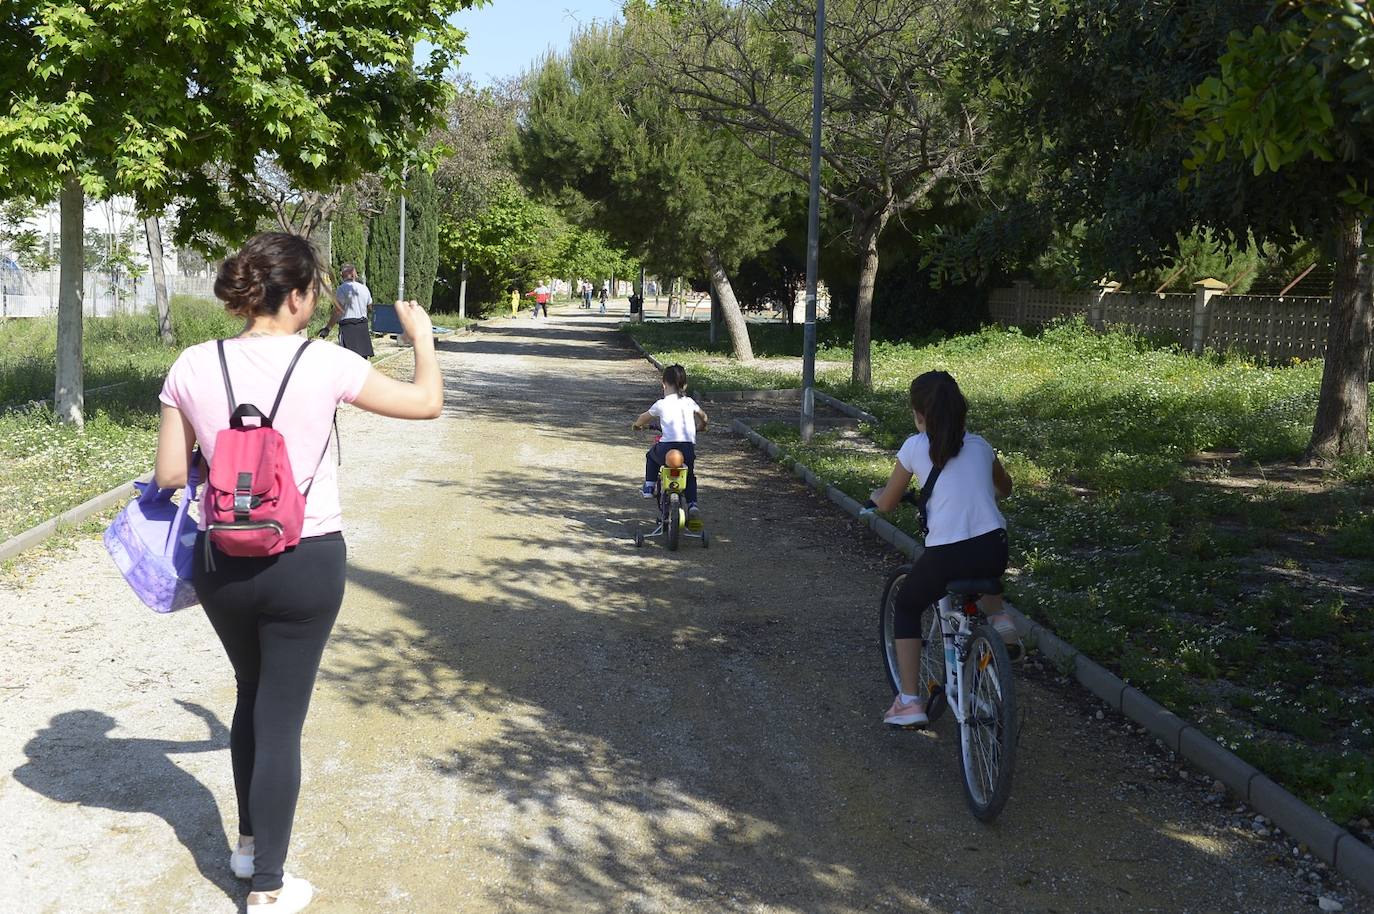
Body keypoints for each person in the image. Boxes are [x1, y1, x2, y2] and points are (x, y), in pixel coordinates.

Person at [153, 232, 444, 914]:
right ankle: (269, 888)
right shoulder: (326, 362)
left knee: (250, 693)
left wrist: (225, 464)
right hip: (305, 557)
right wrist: (422, 337)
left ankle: (250, 846)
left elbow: (170, 474)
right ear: (300, 293)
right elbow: (425, 402)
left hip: (222, 557)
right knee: (281, 718)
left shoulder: (191, 364)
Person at [862, 370, 1015, 728]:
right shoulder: (980, 445)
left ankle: (910, 700)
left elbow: (887, 502)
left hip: (946, 555)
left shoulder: (915, 447)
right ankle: (1001, 623)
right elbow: (1005, 487)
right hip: (994, 546)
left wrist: (875, 498)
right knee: (983, 576)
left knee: (908, 604)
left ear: (919, 415)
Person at [632, 364, 707, 529]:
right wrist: (701, 426)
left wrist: (637, 426)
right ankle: (693, 504)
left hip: (667, 447)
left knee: (651, 456)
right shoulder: (689, 402)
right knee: (689, 476)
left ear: (664, 384)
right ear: (684, 385)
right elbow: (704, 416)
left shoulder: (661, 403)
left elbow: (643, 418)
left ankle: (649, 486)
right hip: (687, 448)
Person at [317, 263, 373, 358]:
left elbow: (338, 311)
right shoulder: (364, 288)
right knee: (362, 360)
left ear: (342, 275)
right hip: (363, 327)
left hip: (348, 328)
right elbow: (370, 306)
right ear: (355, 274)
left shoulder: (341, 289)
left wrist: (327, 328)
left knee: (349, 359)